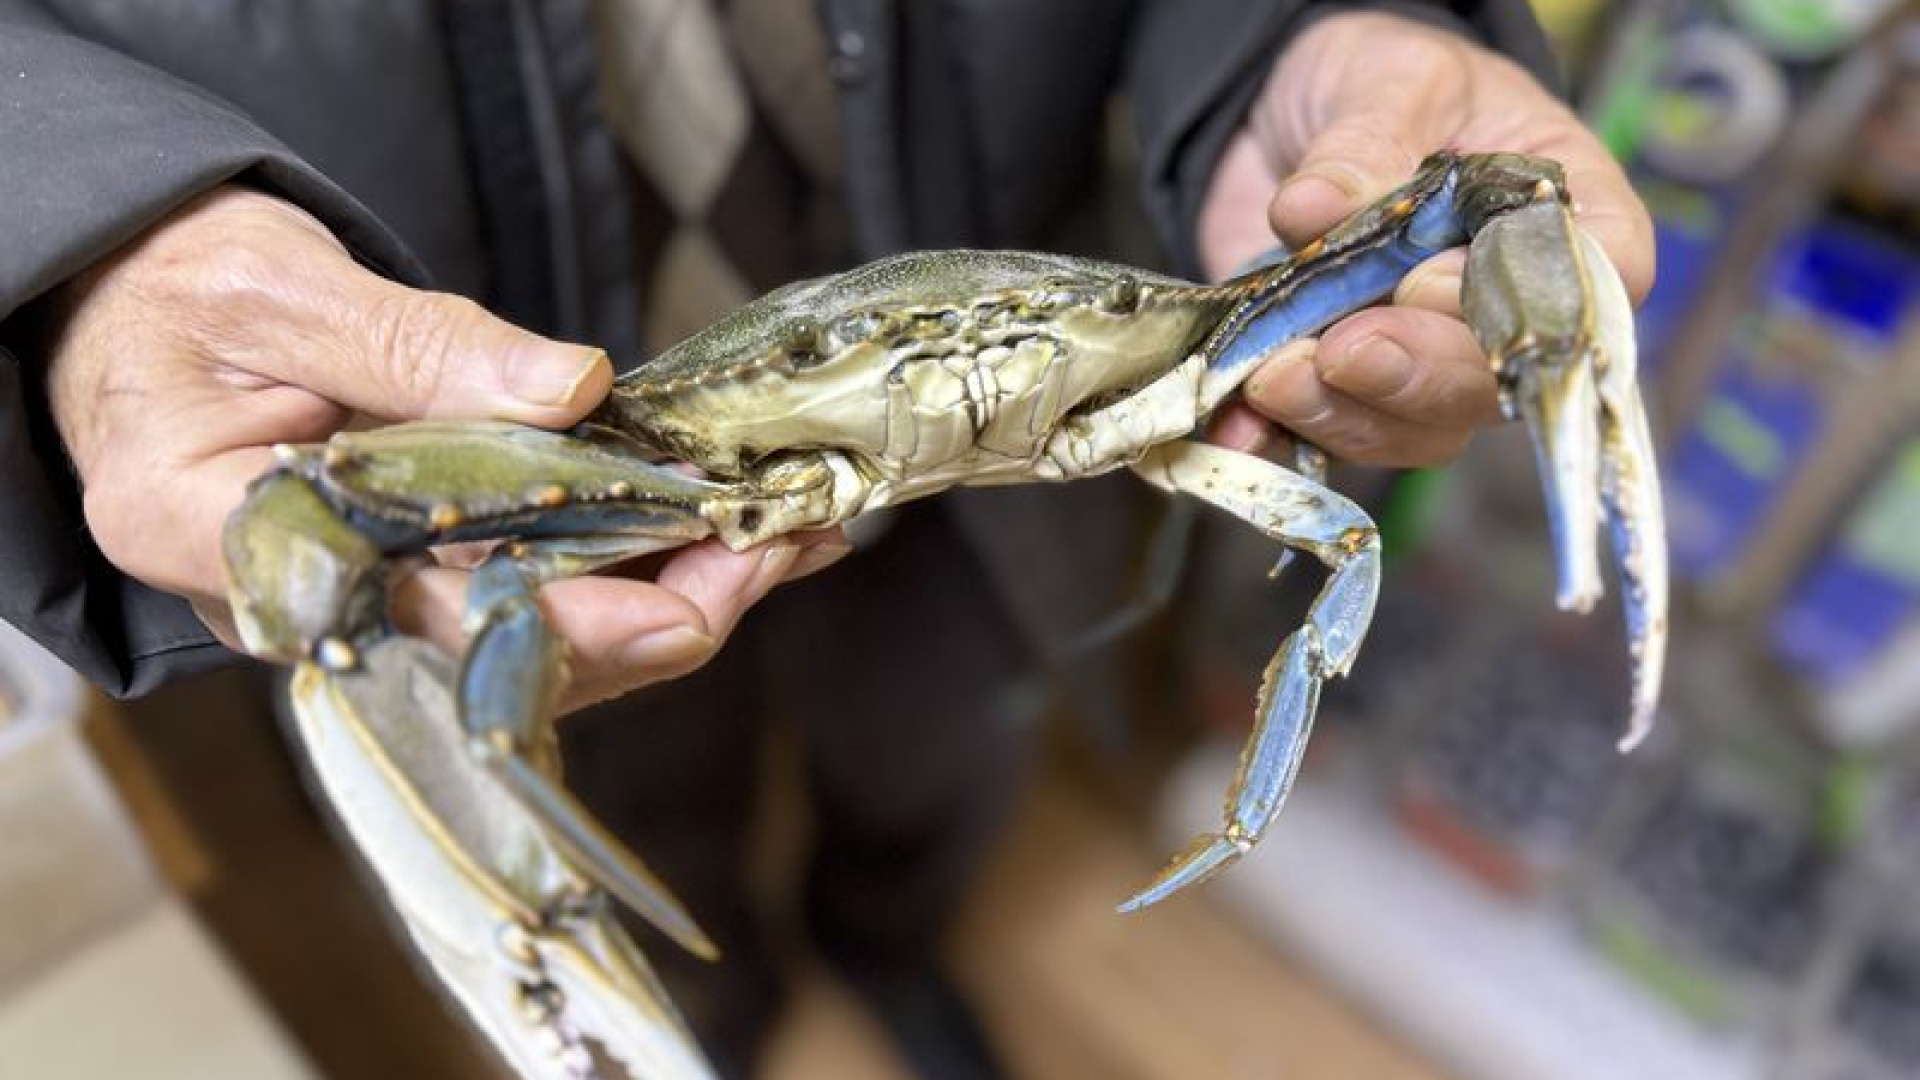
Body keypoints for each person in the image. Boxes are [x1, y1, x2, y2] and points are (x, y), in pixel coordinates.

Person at [0, 2, 1652, 1078]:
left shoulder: (1207, 342)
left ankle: (895, 940)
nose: (938, 389)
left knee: (943, 733)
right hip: (607, 423)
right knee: (560, 702)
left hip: (1056, 357)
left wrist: (1316, 32)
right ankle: (659, 1022)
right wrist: (78, 226)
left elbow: (1472, 197)